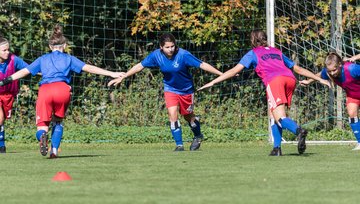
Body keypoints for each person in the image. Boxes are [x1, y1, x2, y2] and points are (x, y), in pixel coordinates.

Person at [197, 30, 330, 156]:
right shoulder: (276, 51)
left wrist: (213, 82)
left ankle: (298, 130)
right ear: (265, 39)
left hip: (275, 81)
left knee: (279, 117)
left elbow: (233, 71)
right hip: (290, 79)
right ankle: (276, 148)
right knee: (273, 113)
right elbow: (297, 69)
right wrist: (318, 79)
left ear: (253, 40)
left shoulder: (253, 53)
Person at [0, 25, 124, 158]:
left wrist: (4, 81)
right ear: (64, 45)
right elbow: (89, 68)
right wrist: (111, 73)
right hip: (63, 90)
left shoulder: (42, 58)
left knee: (42, 126)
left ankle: (42, 136)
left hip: (45, 91)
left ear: (49, 46)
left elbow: (24, 72)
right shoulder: (69, 58)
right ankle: (54, 151)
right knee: (58, 121)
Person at [108, 33, 223, 151]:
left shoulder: (183, 55)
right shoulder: (156, 56)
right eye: (167, 47)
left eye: (172, 46)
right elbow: (140, 66)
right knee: (172, 114)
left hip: (186, 90)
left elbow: (202, 65)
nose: (170, 49)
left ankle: (198, 136)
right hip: (170, 89)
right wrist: (124, 76)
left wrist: (221, 74)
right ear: (161, 47)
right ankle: (179, 145)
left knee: (188, 117)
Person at [300, 52, 360, 151]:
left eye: (334, 70)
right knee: (351, 113)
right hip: (353, 95)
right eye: (330, 71)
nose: (332, 73)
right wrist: (308, 81)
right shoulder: (328, 72)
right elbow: (320, 74)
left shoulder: (352, 68)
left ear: (340, 64)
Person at [0, 37, 28, 153]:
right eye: (4, 50)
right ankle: (1, 146)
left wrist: (47, 72)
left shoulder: (14, 60)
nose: (7, 52)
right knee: (0, 118)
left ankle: (2, 145)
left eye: (8, 50)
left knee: (2, 120)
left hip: (8, 95)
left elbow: (29, 69)